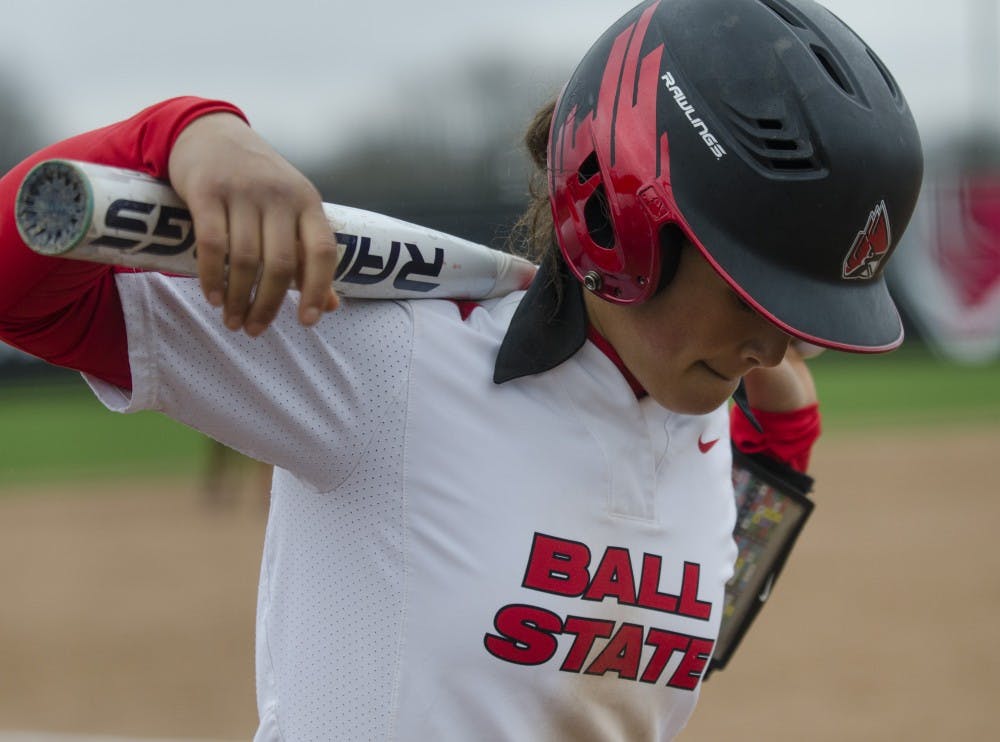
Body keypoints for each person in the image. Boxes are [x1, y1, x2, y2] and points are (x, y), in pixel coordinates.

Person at [0, 0, 921, 739]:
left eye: (799, 313)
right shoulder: (392, 364)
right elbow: (23, 290)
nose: (776, 343)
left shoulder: (704, 413)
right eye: (751, 292)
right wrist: (182, 134)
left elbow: (678, 629)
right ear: (626, 218)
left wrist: (780, 442)